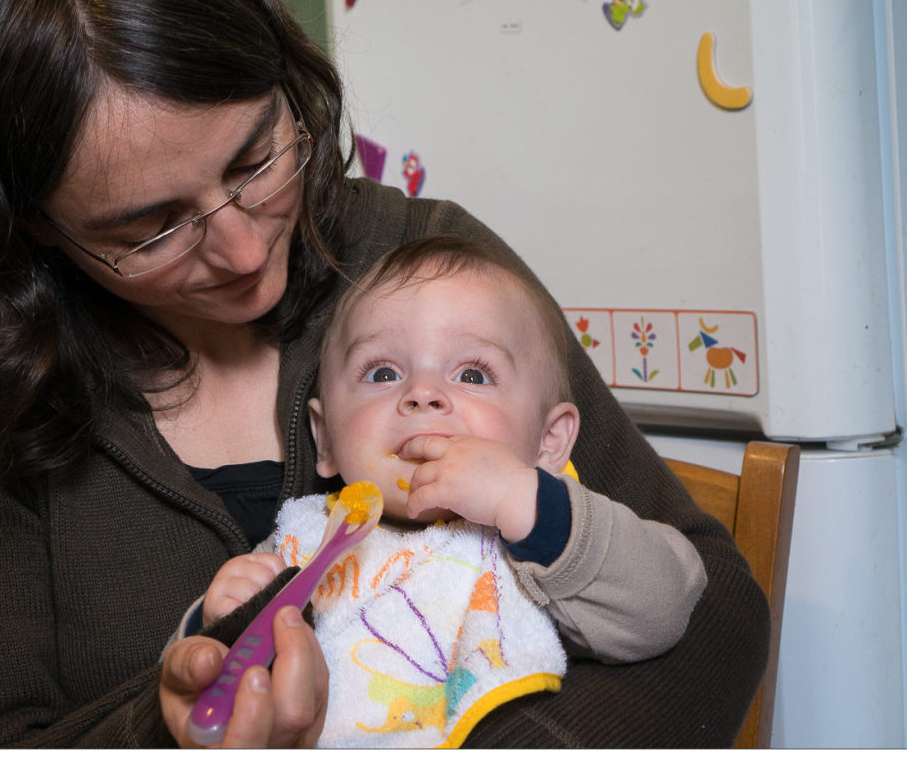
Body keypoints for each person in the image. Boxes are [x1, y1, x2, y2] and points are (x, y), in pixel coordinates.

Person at [0, 0, 769, 748]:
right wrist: (168, 734)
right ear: (37, 226)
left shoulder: (432, 275)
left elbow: (716, 609)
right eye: (152, 228)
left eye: (256, 159)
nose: (246, 252)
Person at [196, 236, 706, 747]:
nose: (423, 394)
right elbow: (203, 695)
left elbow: (663, 611)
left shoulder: (539, 539)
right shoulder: (309, 542)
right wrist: (218, 622)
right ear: (326, 439)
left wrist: (529, 505)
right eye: (383, 372)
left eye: (472, 374)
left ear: (548, 442)